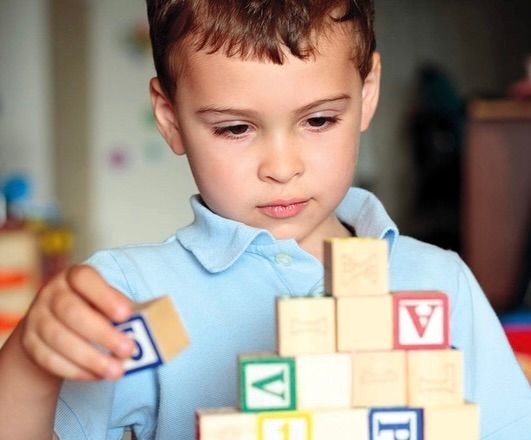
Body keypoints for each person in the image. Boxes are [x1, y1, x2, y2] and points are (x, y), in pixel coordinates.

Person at [0, 1, 529, 438]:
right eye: (235, 129)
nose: (282, 168)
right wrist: (28, 365)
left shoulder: (442, 283)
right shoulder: (126, 294)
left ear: (367, 94)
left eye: (319, 120)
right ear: (171, 118)